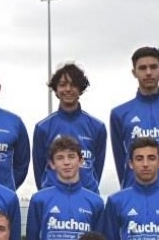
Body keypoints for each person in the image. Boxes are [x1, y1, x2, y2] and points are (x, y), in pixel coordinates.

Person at [26, 135, 104, 240]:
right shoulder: (39, 200)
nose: (66, 162)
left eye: (71, 156)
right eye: (60, 158)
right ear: (52, 164)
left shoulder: (95, 202)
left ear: (81, 161)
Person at [110, 46, 159, 193]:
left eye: (153, 67)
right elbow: (121, 162)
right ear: (134, 72)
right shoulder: (120, 114)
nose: (148, 72)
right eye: (142, 68)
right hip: (133, 196)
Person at [32, 63, 106, 193]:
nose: (68, 89)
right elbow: (39, 171)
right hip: (53, 198)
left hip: (86, 196)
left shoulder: (97, 127)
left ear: (80, 88)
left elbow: (97, 169)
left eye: (73, 84)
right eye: (62, 85)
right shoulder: (43, 128)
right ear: (56, 89)